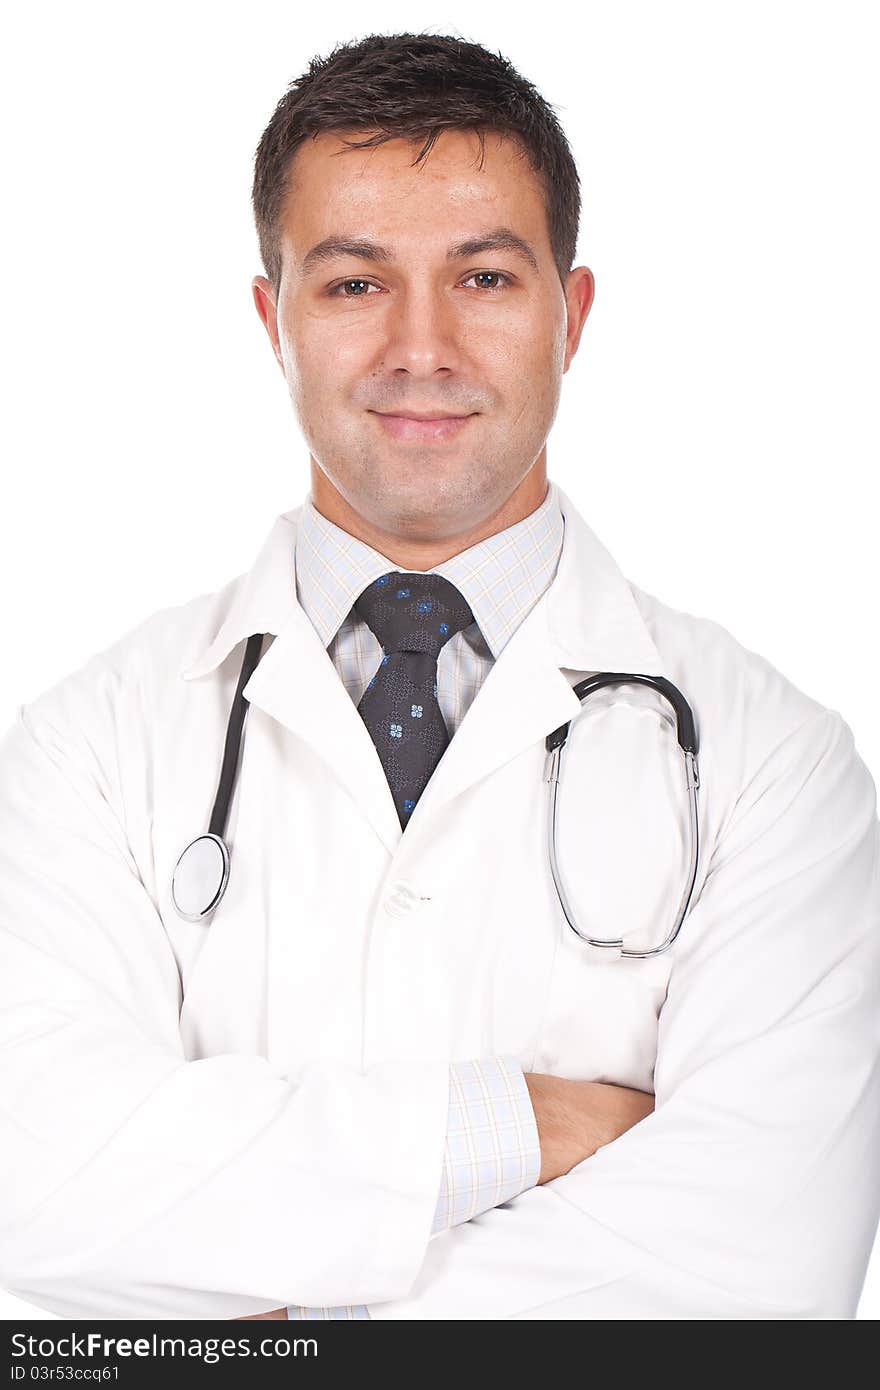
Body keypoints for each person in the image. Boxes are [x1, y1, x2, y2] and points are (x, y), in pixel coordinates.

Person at [1, 31, 878, 1323]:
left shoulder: (773, 767)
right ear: (272, 318)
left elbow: (755, 1270)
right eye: (355, 285)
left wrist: (240, 1309)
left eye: (482, 277)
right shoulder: (86, 746)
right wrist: (513, 1124)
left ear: (571, 316)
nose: (423, 347)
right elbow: (33, 1184)